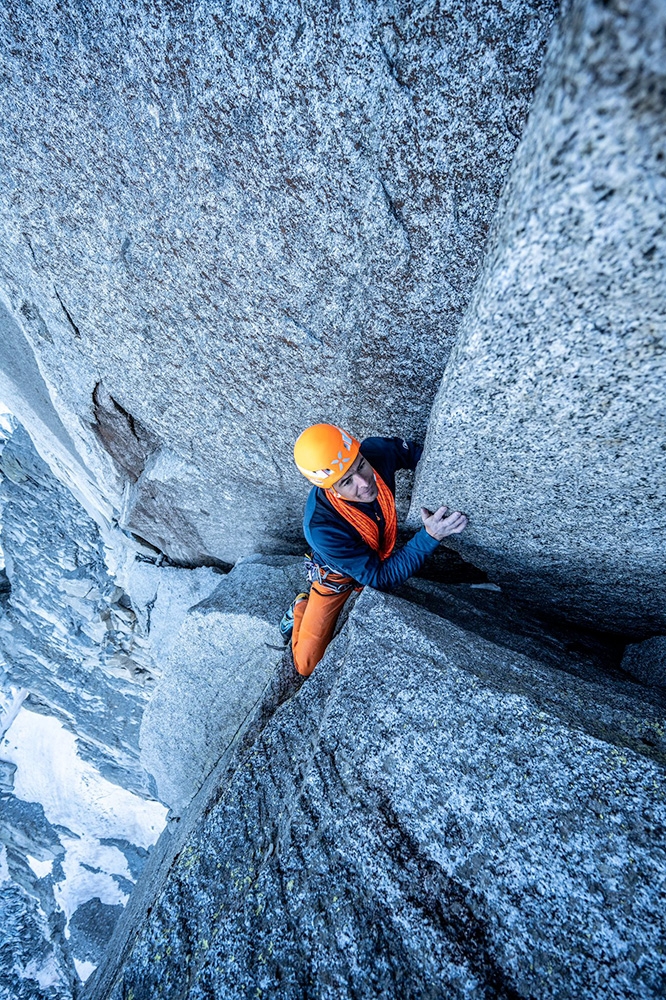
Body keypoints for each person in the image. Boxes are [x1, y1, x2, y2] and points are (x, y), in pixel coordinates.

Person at [281, 423, 468, 677]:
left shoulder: (375, 451)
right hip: (336, 576)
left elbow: (420, 456)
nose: (364, 482)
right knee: (306, 665)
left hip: (372, 553)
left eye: (359, 465)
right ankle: (301, 606)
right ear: (330, 489)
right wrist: (429, 536)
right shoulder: (321, 527)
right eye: (347, 481)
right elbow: (379, 577)